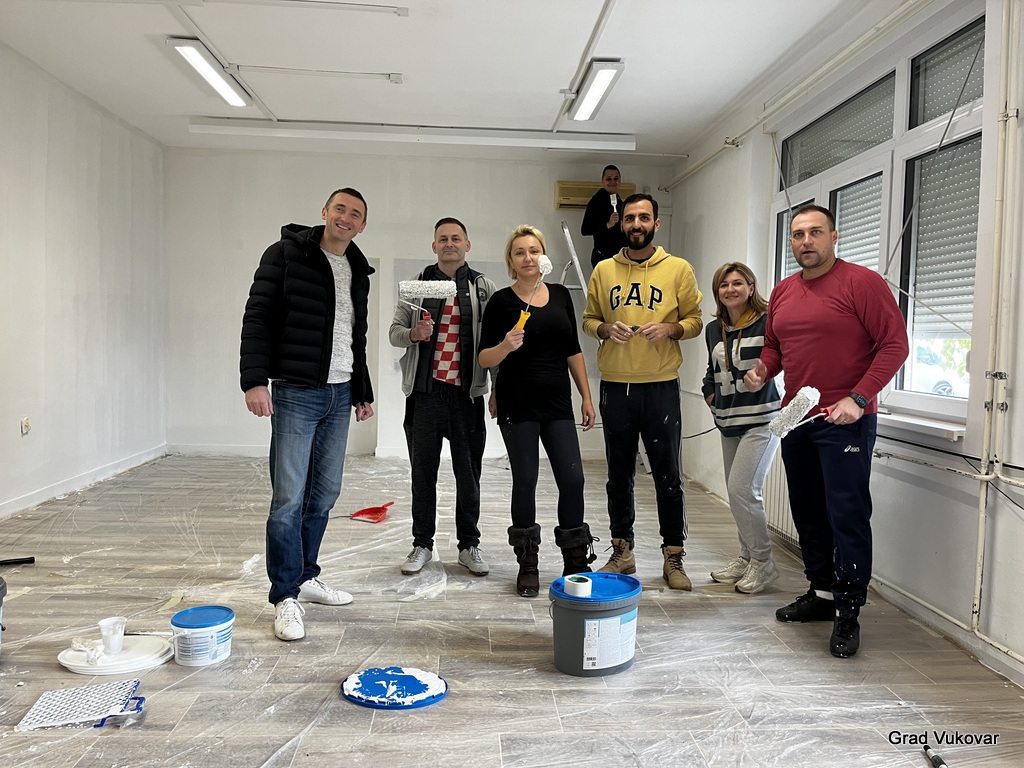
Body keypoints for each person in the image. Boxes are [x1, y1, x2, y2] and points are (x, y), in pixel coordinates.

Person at [744, 203, 908, 659]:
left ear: (834, 237)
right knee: (808, 511)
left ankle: (849, 609)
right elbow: (776, 346)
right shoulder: (783, 291)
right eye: (798, 234)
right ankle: (821, 593)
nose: (806, 241)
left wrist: (859, 399)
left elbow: (895, 345)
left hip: (846, 419)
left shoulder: (862, 283)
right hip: (798, 418)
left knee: (846, 515)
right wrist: (763, 370)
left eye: (815, 232)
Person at [240, 188, 375, 642]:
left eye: (355, 214)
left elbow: (356, 335)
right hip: (296, 392)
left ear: (361, 225)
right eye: (340, 209)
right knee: (288, 498)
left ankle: (305, 575)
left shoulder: (357, 268)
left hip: (340, 392)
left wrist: (362, 391)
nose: (346, 218)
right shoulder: (285, 254)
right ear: (325, 212)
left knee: (324, 494)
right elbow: (258, 316)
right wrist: (254, 380)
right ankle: (284, 595)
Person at [582, 193, 703, 590]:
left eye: (644, 217)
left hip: (661, 384)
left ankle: (674, 555)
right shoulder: (603, 270)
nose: (636, 224)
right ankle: (623, 551)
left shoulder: (678, 269)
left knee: (668, 475)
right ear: (621, 224)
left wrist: (671, 328)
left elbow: (696, 320)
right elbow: (589, 320)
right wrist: (604, 328)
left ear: (656, 224)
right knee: (618, 476)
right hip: (616, 385)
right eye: (630, 218)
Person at [478, 225, 597, 597]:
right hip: (518, 404)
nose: (527, 257)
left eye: (533, 250)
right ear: (511, 261)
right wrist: (505, 346)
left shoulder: (560, 295)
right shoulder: (500, 302)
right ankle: (528, 562)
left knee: (573, 480)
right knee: (526, 480)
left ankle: (575, 560)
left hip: (557, 403)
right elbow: (483, 358)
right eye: (519, 252)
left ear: (542, 256)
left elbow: (573, 350)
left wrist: (586, 396)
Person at [388, 217, 497, 578]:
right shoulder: (419, 285)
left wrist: (496, 388)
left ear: (467, 245)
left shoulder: (483, 288)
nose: (450, 243)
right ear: (434, 246)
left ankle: (469, 545)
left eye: (456, 238)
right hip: (426, 395)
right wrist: (414, 334)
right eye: (443, 239)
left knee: (469, 475)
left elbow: (493, 342)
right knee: (423, 474)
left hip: (467, 397)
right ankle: (422, 544)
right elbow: (394, 332)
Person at [701, 262, 782, 594]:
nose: (730, 289)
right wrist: (709, 392)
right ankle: (747, 557)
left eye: (737, 283)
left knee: (743, 490)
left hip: (762, 420)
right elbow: (712, 368)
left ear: (751, 287)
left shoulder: (768, 321)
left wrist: (763, 375)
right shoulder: (713, 329)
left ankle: (763, 562)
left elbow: (781, 359)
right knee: (737, 494)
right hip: (728, 421)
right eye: (724, 284)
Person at [581, 165, 628, 268]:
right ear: (602, 181)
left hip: (621, 257)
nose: (612, 182)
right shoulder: (596, 202)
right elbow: (585, 230)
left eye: (616, 179)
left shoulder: (621, 203)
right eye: (608, 179)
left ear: (620, 181)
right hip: (603, 256)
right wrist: (607, 224)